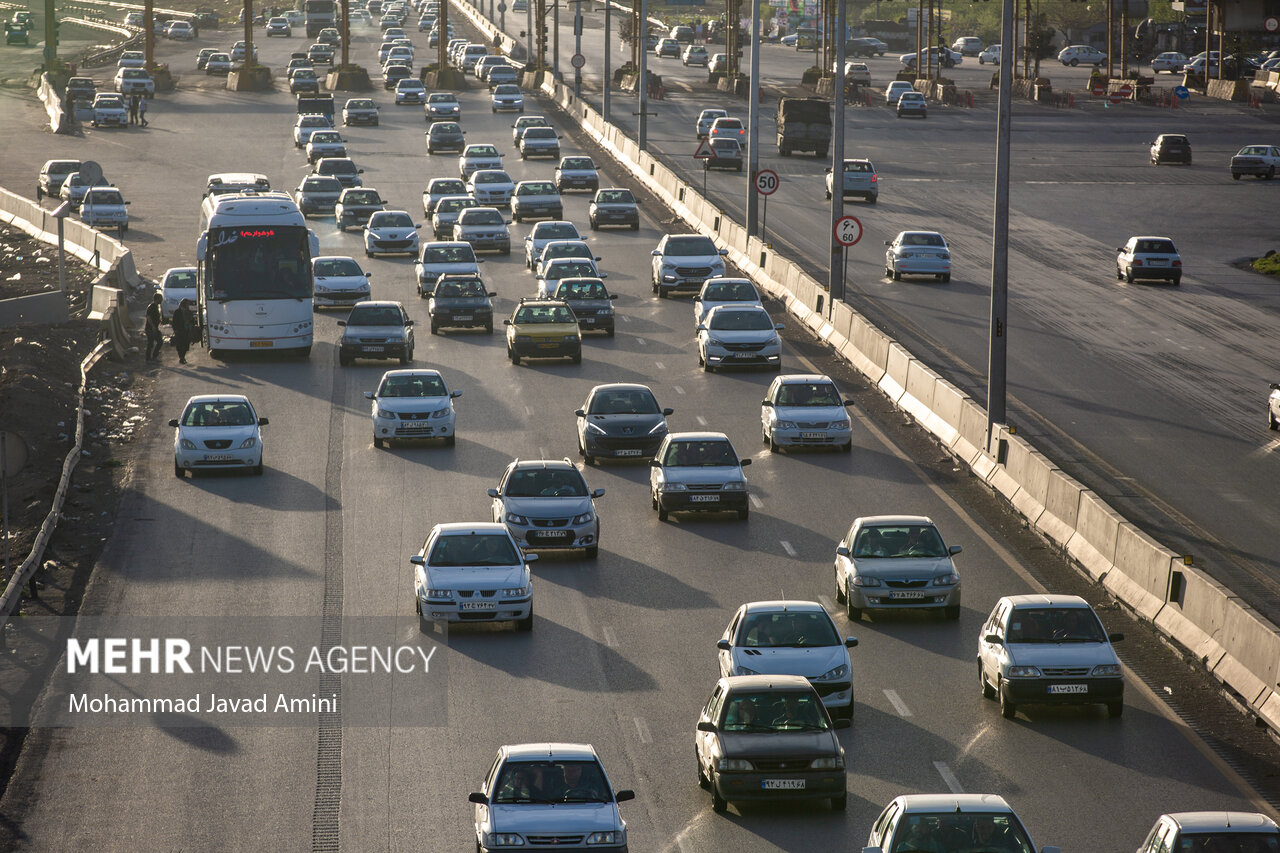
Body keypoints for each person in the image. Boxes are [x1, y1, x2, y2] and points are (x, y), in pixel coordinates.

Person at [171, 298, 194, 364]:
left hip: (187, 331)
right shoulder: (177, 312)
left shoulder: (189, 312)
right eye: (187, 304)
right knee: (180, 344)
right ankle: (181, 357)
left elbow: (192, 320)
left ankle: (182, 357)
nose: (188, 306)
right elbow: (174, 322)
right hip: (179, 330)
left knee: (186, 344)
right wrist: (175, 330)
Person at [144, 291, 163, 362]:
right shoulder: (151, 307)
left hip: (154, 328)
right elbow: (148, 317)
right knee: (150, 343)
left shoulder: (155, 306)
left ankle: (154, 357)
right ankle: (148, 358)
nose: (162, 300)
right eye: (161, 299)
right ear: (157, 299)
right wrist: (153, 326)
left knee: (159, 342)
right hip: (150, 329)